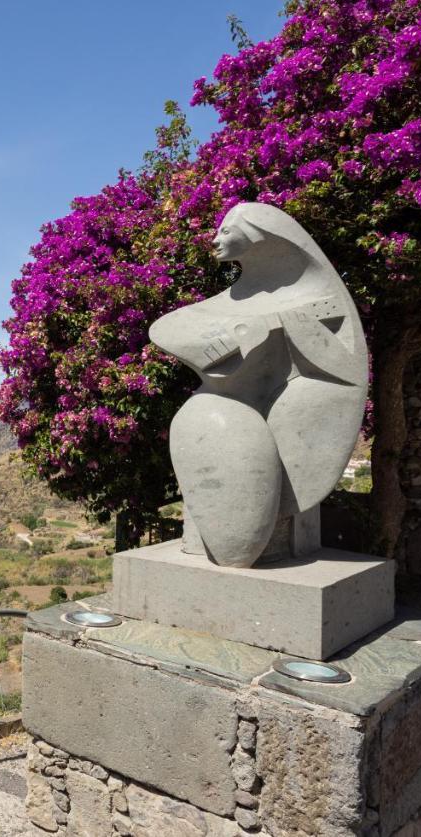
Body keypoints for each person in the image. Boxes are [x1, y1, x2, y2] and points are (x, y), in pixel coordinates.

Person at [149, 202, 368, 567]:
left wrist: (287, 330)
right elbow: (167, 330)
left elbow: (342, 370)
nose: (215, 239)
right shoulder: (213, 309)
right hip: (221, 419)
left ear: (259, 236)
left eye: (226, 231)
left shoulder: (313, 301)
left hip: (276, 419)